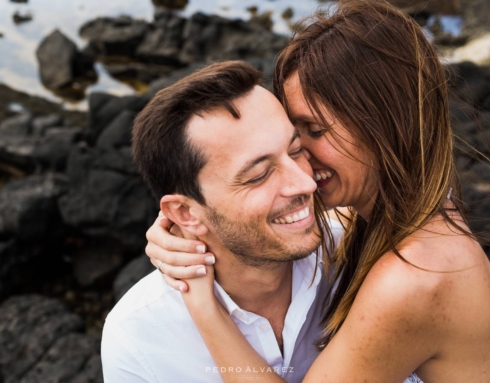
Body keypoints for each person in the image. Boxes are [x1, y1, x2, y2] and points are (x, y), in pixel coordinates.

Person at [143, 1, 490, 382]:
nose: (301, 169)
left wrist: (204, 307)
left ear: (386, 126)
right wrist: (187, 226)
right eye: (295, 139)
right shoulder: (419, 210)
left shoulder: (415, 276)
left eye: (313, 132)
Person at [101, 60, 345, 383]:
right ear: (185, 213)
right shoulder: (139, 341)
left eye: (296, 149)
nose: (305, 183)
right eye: (259, 175)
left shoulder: (354, 254)